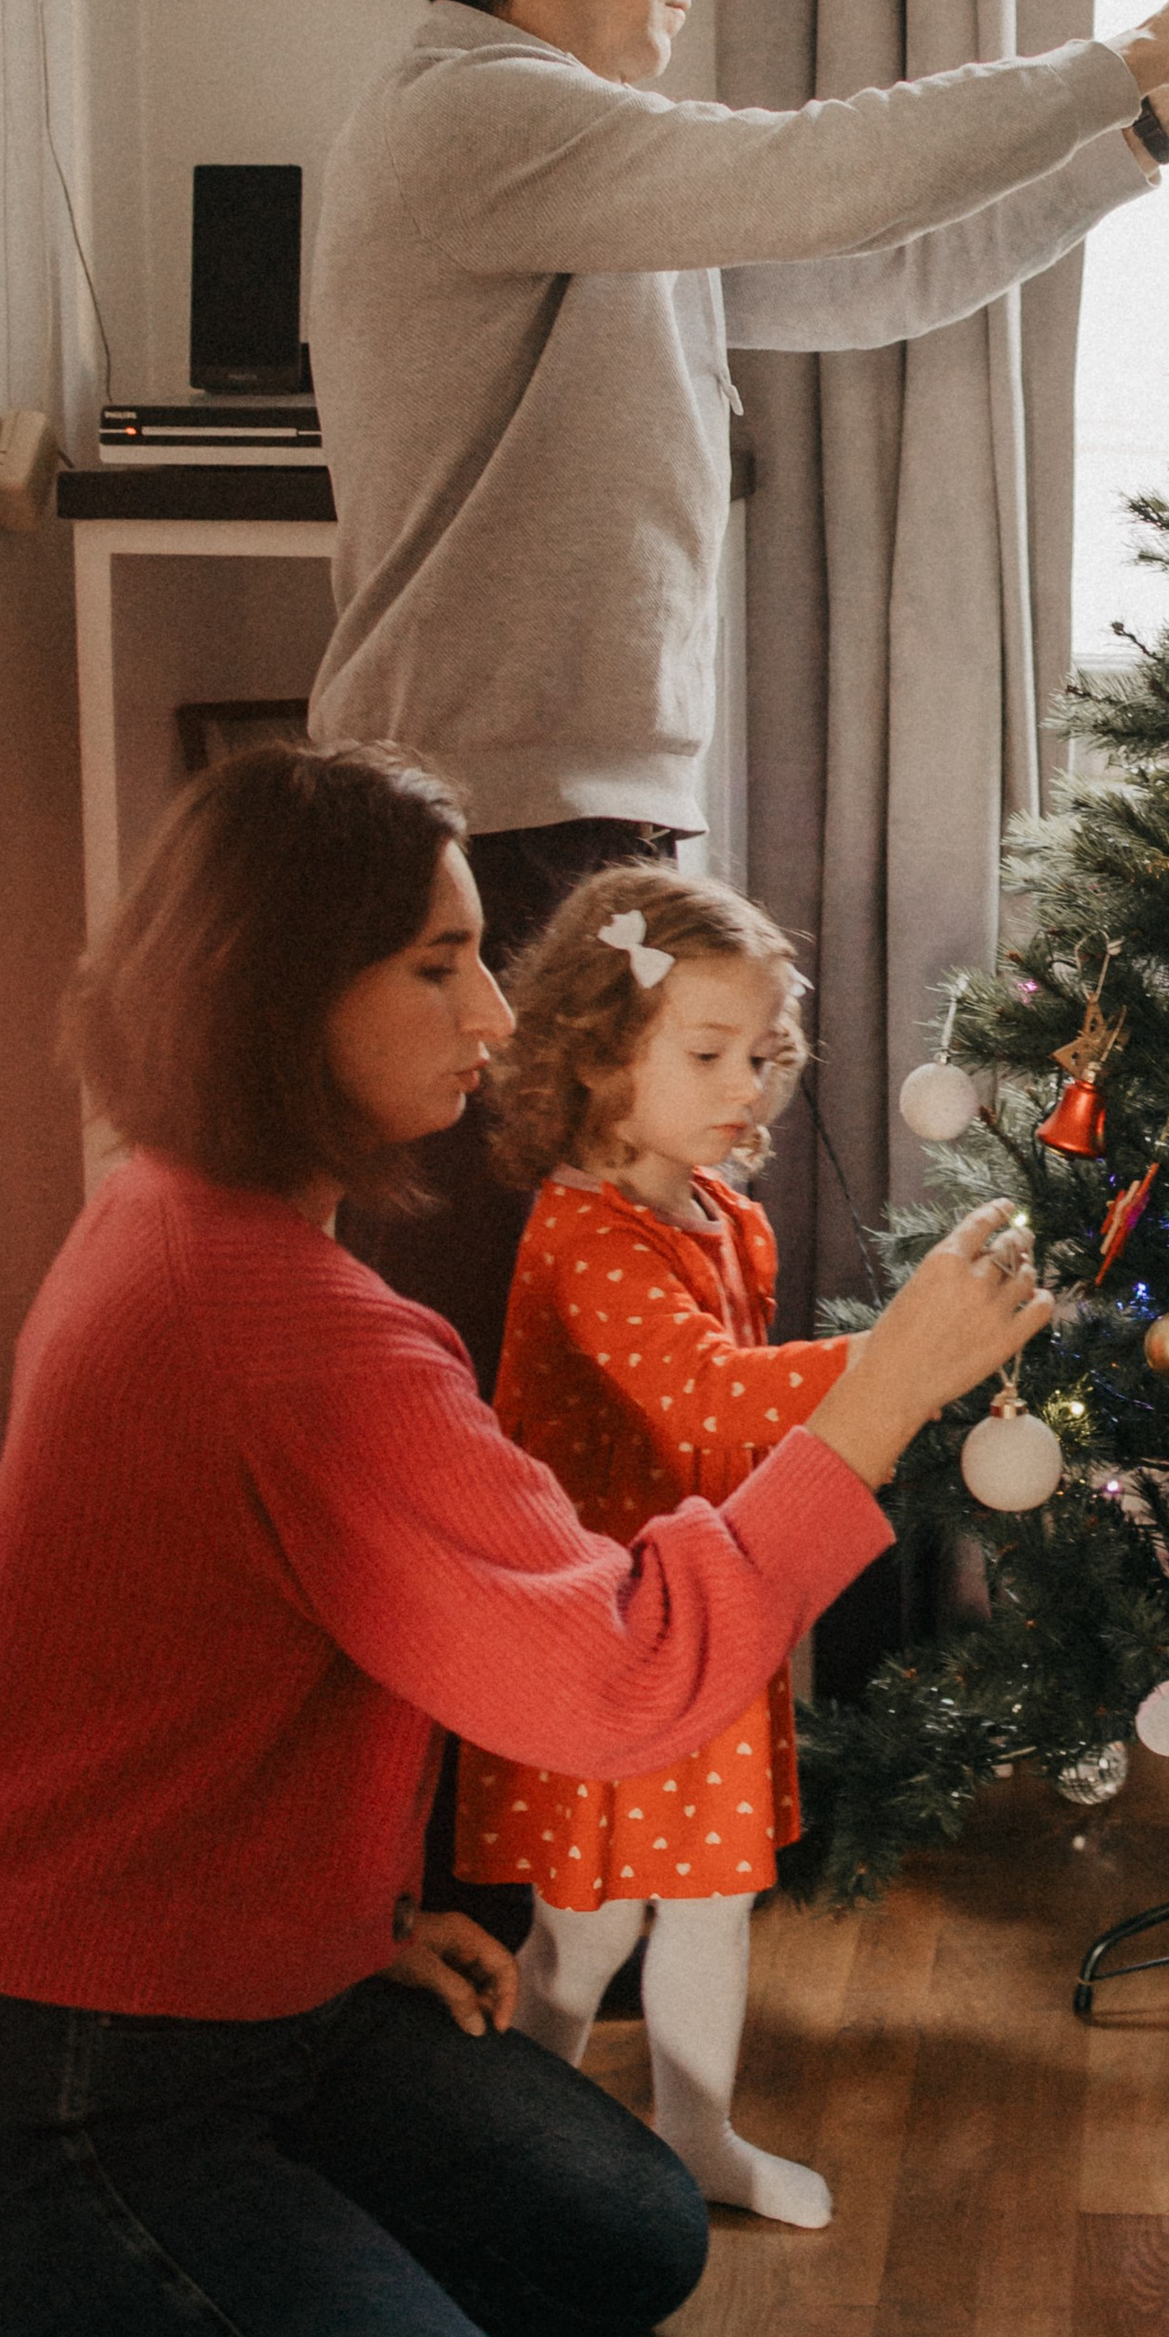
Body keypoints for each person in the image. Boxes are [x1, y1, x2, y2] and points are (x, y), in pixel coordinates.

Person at [0, 741, 1050, 2337]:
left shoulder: (180, 1223)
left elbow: (194, 1690)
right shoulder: (296, 1336)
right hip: (47, 2089)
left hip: (256, 2011)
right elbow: (624, 1677)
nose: (496, 1018)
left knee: (631, 2236)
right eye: (437, 964)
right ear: (265, 989)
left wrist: (334, 1920)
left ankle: (199, 2305)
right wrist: (879, 1401)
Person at [307, 0, 1169, 1385]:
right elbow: (820, 175)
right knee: (479, 1335)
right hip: (488, 828)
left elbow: (872, 276)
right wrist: (1124, 54)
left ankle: (583, 1634)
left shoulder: (587, 164)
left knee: (583, 1333)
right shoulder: (473, 116)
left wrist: (1141, 142)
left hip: (568, 807)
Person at [450, 868, 853, 2228]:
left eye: (762, 1053)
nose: (746, 1084)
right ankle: (511, 2160)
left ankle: (698, 2143)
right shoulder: (587, 1236)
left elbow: (728, 1435)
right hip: (607, 1632)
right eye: (705, 1052)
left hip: (700, 1613)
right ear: (600, 1054)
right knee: (587, 1926)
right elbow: (706, 1399)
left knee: (715, 1897)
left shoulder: (722, 1215)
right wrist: (897, 1360)